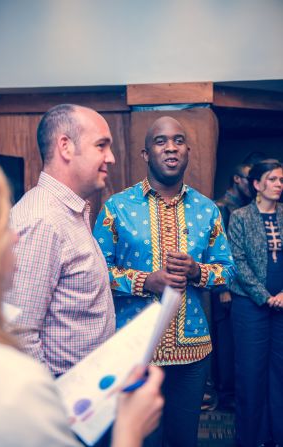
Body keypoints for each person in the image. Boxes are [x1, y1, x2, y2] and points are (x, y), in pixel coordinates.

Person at [0, 159, 165, 447]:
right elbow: (24, 329)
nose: (15, 233)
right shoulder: (18, 382)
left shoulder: (74, 212)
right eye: (0, 221)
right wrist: (130, 428)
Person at [94, 116, 235, 447]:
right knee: (142, 439)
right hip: (135, 352)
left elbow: (228, 270)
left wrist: (197, 271)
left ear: (187, 151)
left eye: (178, 140)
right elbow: (97, 274)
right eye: (160, 141)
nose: (170, 148)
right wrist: (146, 281)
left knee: (184, 439)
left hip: (193, 354)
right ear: (146, 154)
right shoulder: (117, 208)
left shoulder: (207, 210)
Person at [4, 104, 116, 377]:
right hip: (66, 407)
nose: (110, 158)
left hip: (89, 396)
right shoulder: (42, 220)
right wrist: (54, 408)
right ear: (65, 147)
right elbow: (17, 335)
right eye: (101, 145)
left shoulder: (69, 212)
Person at [228, 159, 283, 447]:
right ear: (257, 185)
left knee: (280, 374)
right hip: (250, 306)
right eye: (272, 179)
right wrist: (265, 297)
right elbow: (237, 262)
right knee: (251, 374)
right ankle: (252, 439)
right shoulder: (239, 217)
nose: (278, 185)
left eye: (281, 180)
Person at [211, 163, 251, 410]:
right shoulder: (222, 207)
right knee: (226, 343)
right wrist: (223, 288)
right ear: (237, 179)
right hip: (225, 288)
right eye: (249, 177)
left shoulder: (246, 208)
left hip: (243, 289)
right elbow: (218, 251)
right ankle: (226, 397)